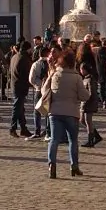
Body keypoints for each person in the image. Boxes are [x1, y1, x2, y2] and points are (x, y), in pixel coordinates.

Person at [42, 47, 89, 179]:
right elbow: (84, 96)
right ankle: (74, 166)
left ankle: (52, 164)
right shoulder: (76, 77)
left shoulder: (55, 75)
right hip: (71, 112)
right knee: (73, 140)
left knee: (54, 139)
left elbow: (44, 90)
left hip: (55, 112)